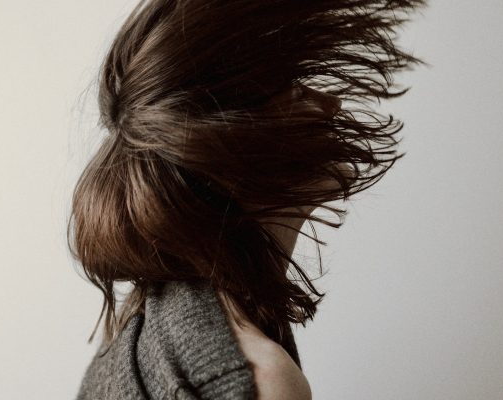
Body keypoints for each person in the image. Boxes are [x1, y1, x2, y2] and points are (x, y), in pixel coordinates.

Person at [69, 1, 427, 398]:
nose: (330, 104)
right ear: (231, 145)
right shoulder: (261, 382)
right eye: (293, 91)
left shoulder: (143, 317)